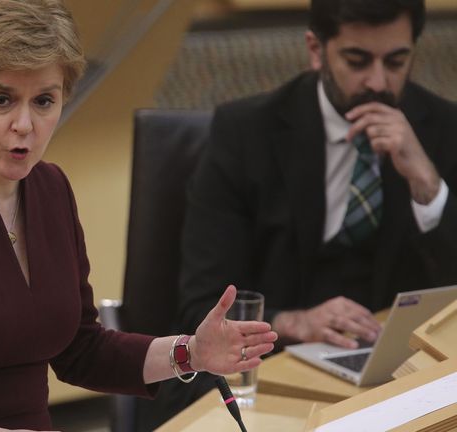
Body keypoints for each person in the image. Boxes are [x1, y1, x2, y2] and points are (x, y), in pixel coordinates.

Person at [0, 1, 277, 431]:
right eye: (2, 100)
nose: (25, 124)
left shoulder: (51, 189)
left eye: (44, 101)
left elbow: (79, 348)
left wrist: (191, 353)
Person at [178, 0, 457, 371]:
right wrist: (295, 322)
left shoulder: (444, 127)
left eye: (395, 62)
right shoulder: (245, 133)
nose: (377, 82)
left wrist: (427, 185)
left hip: (398, 368)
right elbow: (202, 304)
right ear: (316, 50)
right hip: (271, 363)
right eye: (357, 61)